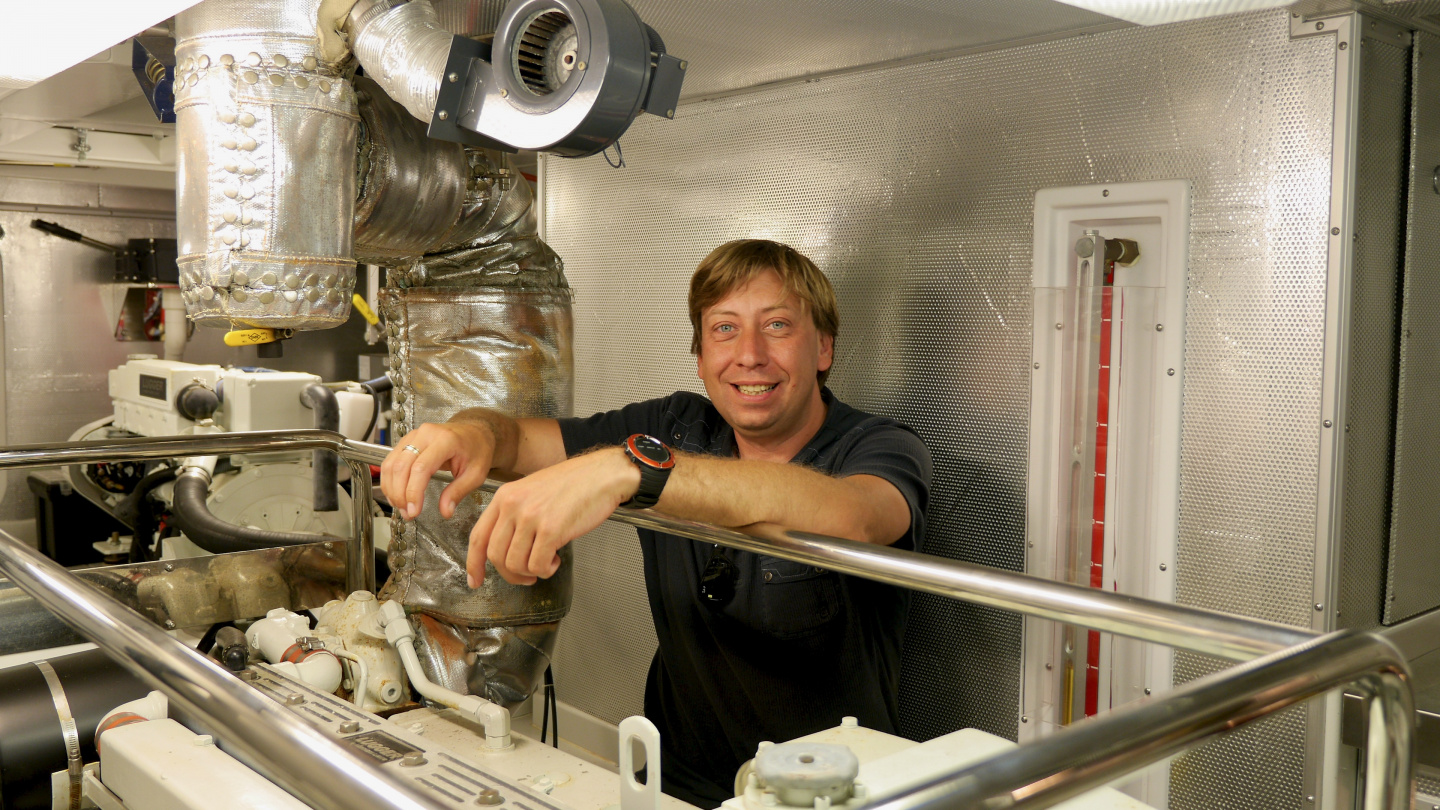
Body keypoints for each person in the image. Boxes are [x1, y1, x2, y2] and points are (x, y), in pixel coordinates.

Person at [380, 239, 932, 808]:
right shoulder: (675, 425)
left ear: (823, 349)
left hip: (828, 789)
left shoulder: (879, 446)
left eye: (777, 326)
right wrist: (468, 432)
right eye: (724, 329)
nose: (749, 354)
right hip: (676, 785)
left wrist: (634, 472)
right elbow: (515, 438)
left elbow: (858, 517)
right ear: (699, 358)